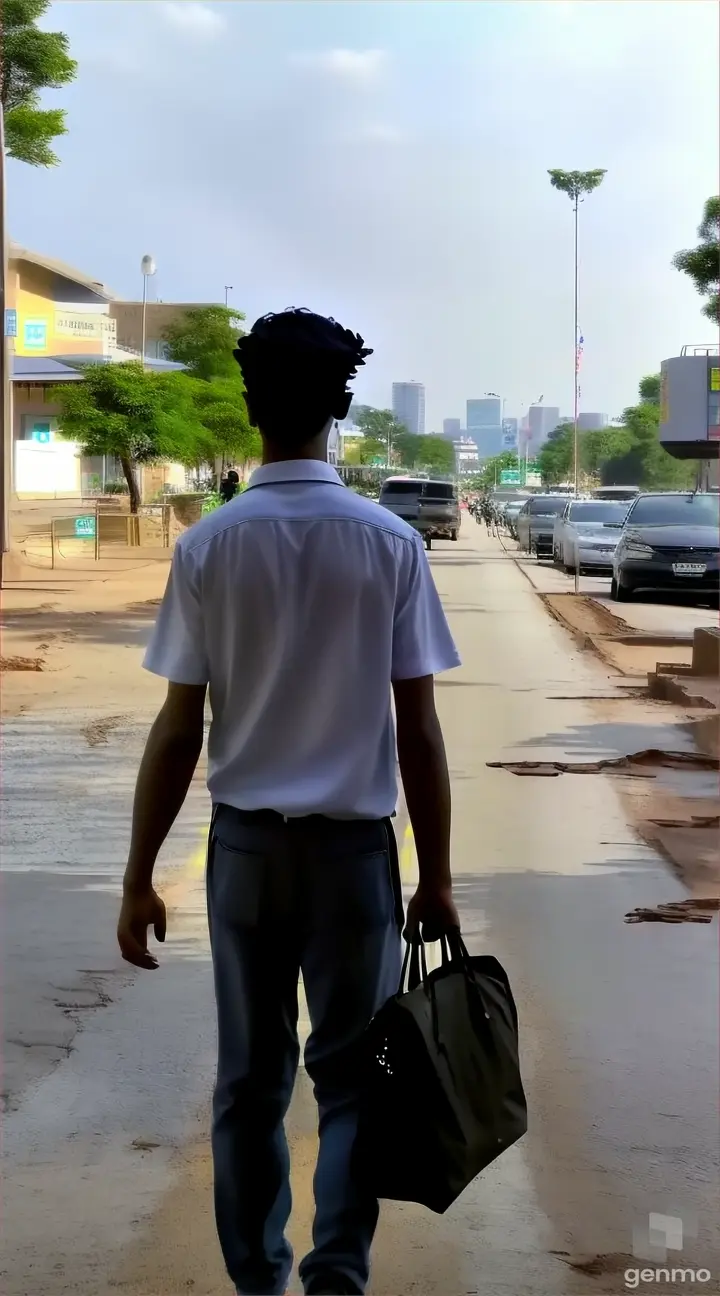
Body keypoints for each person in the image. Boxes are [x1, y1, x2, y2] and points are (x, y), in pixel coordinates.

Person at [117, 307, 460, 1296]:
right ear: (341, 407)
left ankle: (258, 1284)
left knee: (248, 1086)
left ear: (250, 403)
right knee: (351, 1086)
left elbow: (179, 729)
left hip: (245, 861)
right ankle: (336, 1280)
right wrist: (434, 877)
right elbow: (420, 732)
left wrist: (140, 878)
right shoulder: (391, 544)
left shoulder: (210, 547)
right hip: (355, 864)